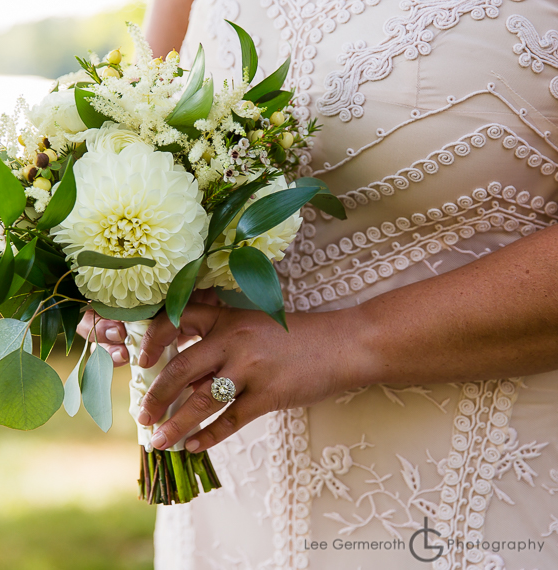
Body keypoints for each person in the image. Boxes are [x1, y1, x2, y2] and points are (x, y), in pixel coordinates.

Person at [78, 0, 558, 567]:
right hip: (227, 517)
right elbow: (137, 125)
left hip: (478, 516)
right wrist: (122, 270)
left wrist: (348, 340)